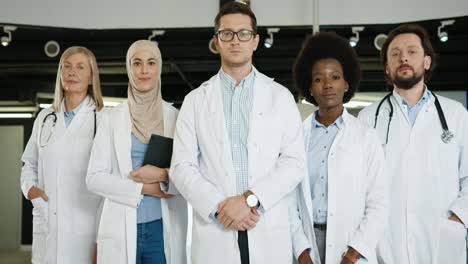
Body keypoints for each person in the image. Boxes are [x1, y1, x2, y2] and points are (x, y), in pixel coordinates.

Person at [170, 2, 307, 264]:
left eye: (244, 33)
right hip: (216, 226)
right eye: (227, 34)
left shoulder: (280, 97)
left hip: (264, 223)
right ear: (217, 41)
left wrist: (249, 200)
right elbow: (181, 167)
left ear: (255, 41)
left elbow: (294, 162)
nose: (235, 41)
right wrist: (221, 208)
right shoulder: (195, 100)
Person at [358, 24, 468, 264]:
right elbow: (360, 184)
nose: (403, 57)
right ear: (387, 67)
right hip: (386, 244)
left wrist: (458, 218)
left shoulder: (456, 115)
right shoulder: (368, 118)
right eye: (395, 53)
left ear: (426, 61)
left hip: (441, 242)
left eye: (411, 51)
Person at [86, 40, 188, 264]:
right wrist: (144, 188)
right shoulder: (111, 119)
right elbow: (93, 178)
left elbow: (190, 174)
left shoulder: (176, 118)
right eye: (137, 63)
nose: (144, 70)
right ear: (128, 68)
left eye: (151, 63)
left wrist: (163, 178)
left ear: (159, 68)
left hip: (162, 227)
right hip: (120, 225)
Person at [291, 32, 388, 264]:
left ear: (346, 83)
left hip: (351, 243)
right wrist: (302, 252)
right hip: (308, 240)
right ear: (309, 88)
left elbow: (379, 202)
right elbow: (289, 201)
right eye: (318, 79)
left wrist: (354, 254)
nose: (327, 85)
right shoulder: (295, 137)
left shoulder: (366, 137)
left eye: (334, 77)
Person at [20, 46, 104, 263]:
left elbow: (109, 179)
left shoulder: (103, 120)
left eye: (79, 67)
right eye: (66, 66)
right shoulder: (45, 117)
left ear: (91, 76)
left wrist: (102, 240)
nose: (71, 72)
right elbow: (29, 162)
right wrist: (30, 189)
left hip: (86, 229)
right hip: (48, 224)